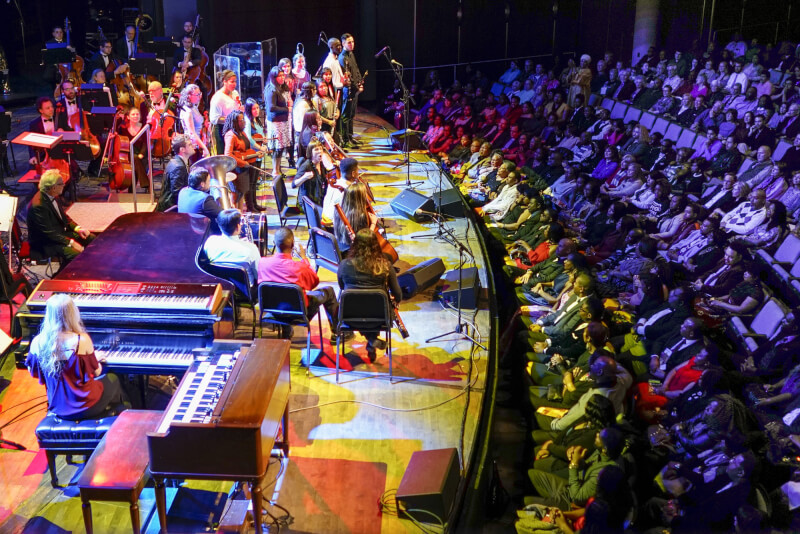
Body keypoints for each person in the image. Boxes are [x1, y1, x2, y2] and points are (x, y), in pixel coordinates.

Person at [25, 294, 127, 420]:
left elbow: (34, 373)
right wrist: (94, 359)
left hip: (58, 408)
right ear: (73, 313)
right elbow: (97, 372)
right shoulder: (81, 340)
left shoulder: (37, 342)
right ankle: (119, 415)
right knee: (113, 378)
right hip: (87, 406)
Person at [258, 227, 341, 340]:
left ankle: (286, 329)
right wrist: (304, 258)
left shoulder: (262, 263)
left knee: (280, 293)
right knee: (329, 291)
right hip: (299, 313)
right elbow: (313, 283)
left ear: (274, 243)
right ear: (292, 244)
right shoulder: (300, 267)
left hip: (273, 310)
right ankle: (337, 333)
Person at [337, 229, 402, 361]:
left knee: (362, 304)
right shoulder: (385, 266)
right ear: (376, 245)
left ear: (355, 244)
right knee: (374, 304)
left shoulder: (344, 265)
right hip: (380, 317)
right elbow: (398, 295)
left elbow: (342, 286)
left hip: (349, 317)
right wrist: (394, 299)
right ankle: (372, 340)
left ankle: (372, 340)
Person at [27, 170, 95, 262]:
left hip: (59, 234)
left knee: (91, 238)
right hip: (46, 243)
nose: (64, 185)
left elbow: (64, 217)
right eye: (61, 183)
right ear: (53, 187)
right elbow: (49, 234)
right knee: (76, 256)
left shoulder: (53, 195)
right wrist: (71, 243)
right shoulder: (39, 206)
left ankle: (92, 264)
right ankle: (66, 270)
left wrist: (78, 228)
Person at [203, 209, 261, 284]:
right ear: (238, 226)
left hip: (221, 287)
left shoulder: (210, 242)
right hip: (245, 290)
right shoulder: (251, 249)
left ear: (219, 225)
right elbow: (259, 275)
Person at [222, 109, 260, 212]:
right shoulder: (231, 135)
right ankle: (236, 215)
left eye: (244, 119)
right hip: (236, 169)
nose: (244, 122)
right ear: (235, 122)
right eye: (241, 120)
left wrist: (256, 154)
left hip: (243, 169)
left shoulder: (242, 132)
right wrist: (242, 163)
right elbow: (228, 154)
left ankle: (241, 214)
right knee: (236, 195)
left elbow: (245, 150)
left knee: (242, 193)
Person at [333, 181, 377, 254]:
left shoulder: (338, 211)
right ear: (360, 198)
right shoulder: (361, 216)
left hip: (341, 247)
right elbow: (365, 240)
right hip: (354, 253)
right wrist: (373, 223)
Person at [264, 66, 292, 178]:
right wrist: (287, 109)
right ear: (274, 77)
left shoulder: (281, 87)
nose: (282, 77)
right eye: (279, 76)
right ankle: (275, 171)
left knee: (281, 148)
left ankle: (278, 170)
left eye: (283, 75)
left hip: (283, 121)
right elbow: (271, 108)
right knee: (277, 147)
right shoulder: (271, 89)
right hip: (276, 123)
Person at [157, 134, 195, 212]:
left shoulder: (180, 161)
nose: (193, 146)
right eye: (190, 145)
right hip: (170, 209)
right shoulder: (178, 167)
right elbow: (178, 193)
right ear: (182, 149)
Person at [339, 33, 363, 147]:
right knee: (346, 115)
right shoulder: (342, 57)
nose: (352, 44)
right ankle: (345, 140)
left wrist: (360, 82)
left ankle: (350, 136)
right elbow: (348, 77)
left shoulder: (351, 54)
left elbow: (356, 70)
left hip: (355, 90)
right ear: (343, 43)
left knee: (352, 114)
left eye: (352, 42)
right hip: (348, 90)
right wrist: (357, 87)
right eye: (349, 42)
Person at [117, 106, 150, 191]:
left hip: (141, 153)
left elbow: (145, 143)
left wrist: (142, 153)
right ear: (128, 117)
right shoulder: (123, 128)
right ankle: (146, 183)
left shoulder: (144, 127)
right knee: (135, 159)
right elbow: (118, 139)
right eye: (133, 114)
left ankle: (131, 189)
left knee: (136, 161)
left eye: (137, 114)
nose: (135, 116)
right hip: (127, 153)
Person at [209, 70, 242, 155]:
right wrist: (230, 119)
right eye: (232, 82)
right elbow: (214, 119)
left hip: (234, 128)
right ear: (225, 81)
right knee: (225, 155)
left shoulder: (235, 93)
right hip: (222, 130)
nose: (234, 84)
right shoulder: (218, 97)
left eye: (235, 81)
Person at [322, 157, 359, 224]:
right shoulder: (348, 189)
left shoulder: (333, 184)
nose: (358, 173)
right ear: (353, 173)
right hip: (335, 224)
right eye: (357, 170)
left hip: (325, 218)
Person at [178, 83, 210, 157]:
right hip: (193, 147)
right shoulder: (187, 111)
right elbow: (192, 133)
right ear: (189, 96)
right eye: (197, 95)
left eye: (200, 93)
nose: (200, 96)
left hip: (199, 145)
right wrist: (204, 148)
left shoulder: (193, 107)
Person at [293, 141, 328, 207]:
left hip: (318, 198)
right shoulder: (306, 166)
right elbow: (294, 184)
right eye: (316, 149)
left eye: (321, 149)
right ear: (310, 152)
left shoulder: (321, 164)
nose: (320, 151)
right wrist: (304, 177)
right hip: (308, 203)